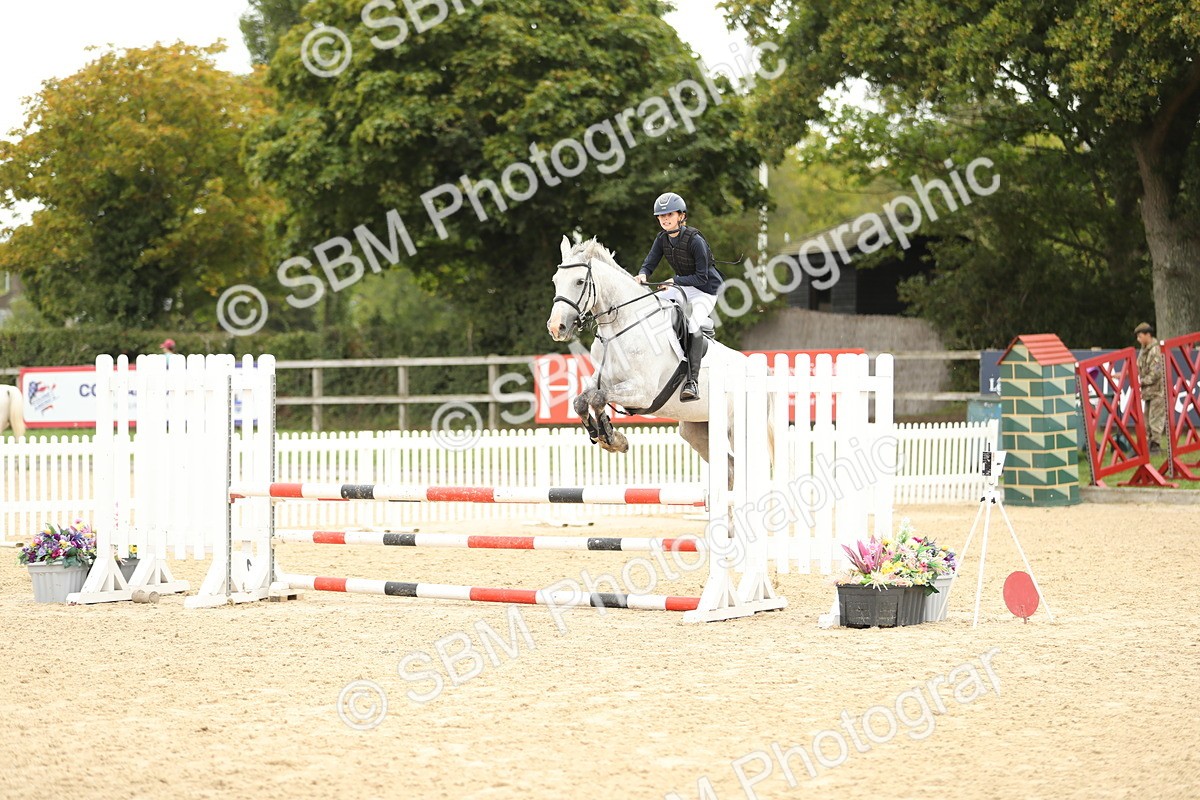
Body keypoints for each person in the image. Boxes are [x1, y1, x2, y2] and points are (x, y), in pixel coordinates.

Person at [636, 192, 723, 402]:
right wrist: (642, 274)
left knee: (692, 323)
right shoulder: (662, 239)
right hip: (683, 284)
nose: (665, 219)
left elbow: (701, 277)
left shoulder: (696, 241)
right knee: (654, 303)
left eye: (669, 214)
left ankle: (692, 382)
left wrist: (674, 282)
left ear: (681, 215)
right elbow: (650, 262)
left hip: (705, 289)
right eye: (661, 216)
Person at [1134, 322, 1167, 453]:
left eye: (1140, 336)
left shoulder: (1155, 350)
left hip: (1157, 391)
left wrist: (1140, 381)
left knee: (1155, 419)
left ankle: (1156, 445)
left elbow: (1156, 373)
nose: (1138, 339)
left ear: (1148, 335)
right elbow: (1137, 367)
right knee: (1147, 419)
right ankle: (1149, 444)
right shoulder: (1143, 351)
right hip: (1148, 392)